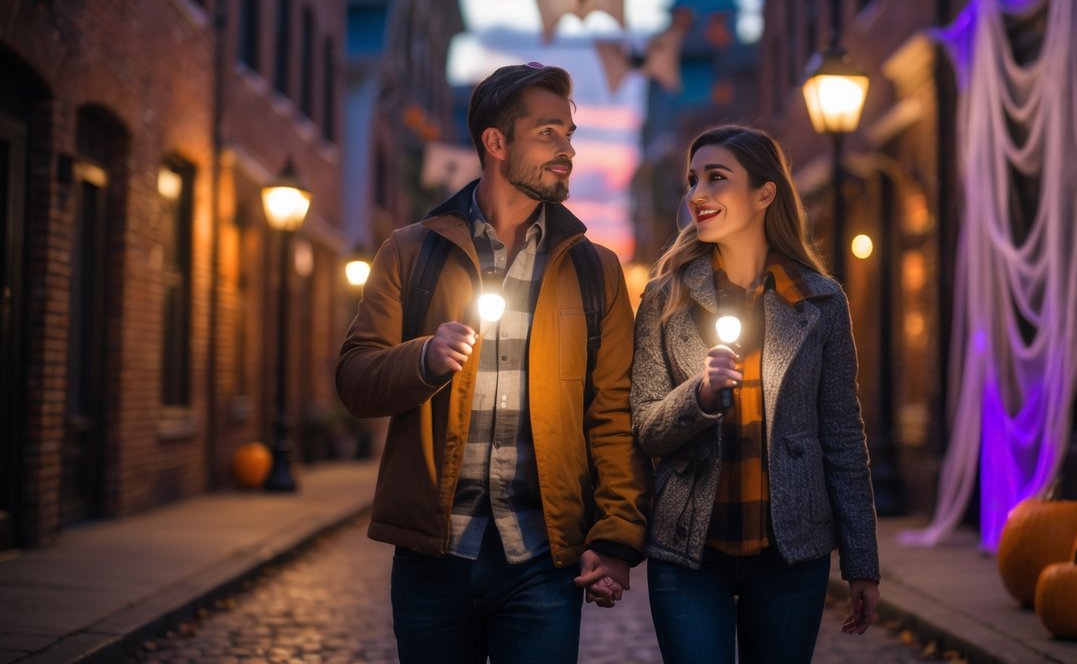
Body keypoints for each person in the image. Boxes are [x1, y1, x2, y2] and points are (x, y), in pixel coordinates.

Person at [336, 62, 650, 664]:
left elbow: (614, 415)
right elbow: (354, 381)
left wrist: (615, 538)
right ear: (496, 142)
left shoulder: (596, 270)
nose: (567, 150)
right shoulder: (409, 252)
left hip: (543, 561)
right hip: (432, 556)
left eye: (569, 134)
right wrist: (423, 358)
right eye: (548, 133)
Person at [630, 125, 880, 664]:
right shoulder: (664, 298)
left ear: (765, 192)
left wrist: (862, 561)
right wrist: (699, 396)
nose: (698, 194)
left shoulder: (819, 301)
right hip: (689, 551)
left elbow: (842, 435)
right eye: (693, 180)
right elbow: (644, 427)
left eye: (717, 178)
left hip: (790, 553)